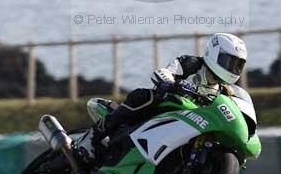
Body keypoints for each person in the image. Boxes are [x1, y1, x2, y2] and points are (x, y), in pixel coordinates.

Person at [76, 32, 248, 163]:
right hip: (167, 106)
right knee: (144, 96)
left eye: (237, 65)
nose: (232, 69)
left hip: (190, 122)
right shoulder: (191, 64)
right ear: (214, 53)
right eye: (229, 62)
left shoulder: (225, 91)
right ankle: (93, 136)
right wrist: (172, 83)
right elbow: (163, 72)